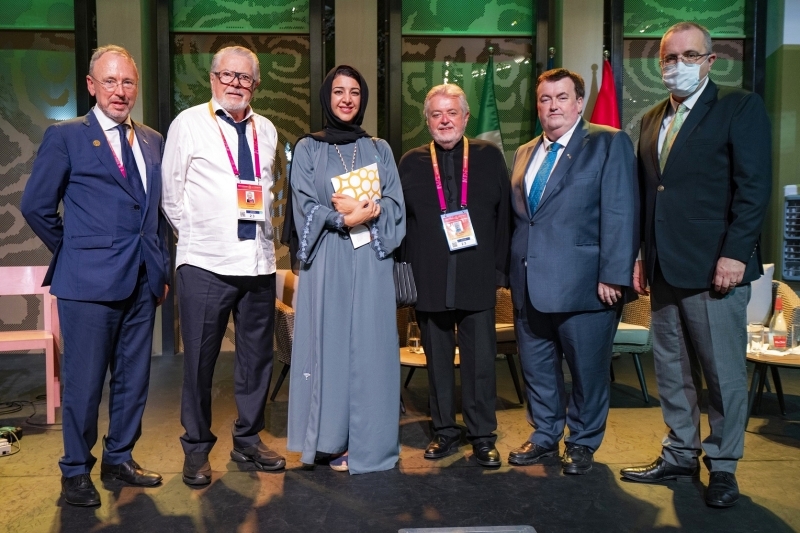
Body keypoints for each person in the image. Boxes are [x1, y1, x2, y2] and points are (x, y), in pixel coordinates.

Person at [620, 22, 771, 508]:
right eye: (669, 57)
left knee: (723, 374)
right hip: (663, 267)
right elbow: (649, 195)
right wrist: (640, 255)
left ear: (710, 61)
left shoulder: (738, 107)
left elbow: (753, 187)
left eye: (689, 55)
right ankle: (680, 453)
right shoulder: (651, 119)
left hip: (715, 270)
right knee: (672, 370)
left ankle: (723, 466)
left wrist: (735, 253)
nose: (677, 65)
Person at [21, 45, 169, 506]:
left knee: (133, 380)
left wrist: (159, 267)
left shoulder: (151, 140)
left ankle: (119, 457)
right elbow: (36, 206)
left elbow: (155, 212)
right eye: (110, 81)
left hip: (142, 280)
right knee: (84, 384)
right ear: (91, 85)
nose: (119, 91)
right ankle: (75, 470)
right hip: (87, 285)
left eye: (127, 82)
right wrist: (76, 251)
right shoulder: (66, 136)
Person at [161, 45, 285, 486]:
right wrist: (201, 237)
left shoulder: (266, 129)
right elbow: (171, 194)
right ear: (213, 78)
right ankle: (196, 448)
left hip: (258, 263)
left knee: (257, 360)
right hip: (205, 265)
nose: (236, 83)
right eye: (228, 75)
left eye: (245, 77)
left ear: (256, 84)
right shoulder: (189, 123)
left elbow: (268, 191)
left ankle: (248, 439)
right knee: (199, 362)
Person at [508, 68, 637, 475]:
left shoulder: (608, 142)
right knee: (538, 369)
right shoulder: (525, 151)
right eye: (545, 99)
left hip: (586, 285)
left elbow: (621, 211)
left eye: (561, 97)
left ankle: (582, 441)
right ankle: (545, 434)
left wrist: (614, 273)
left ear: (579, 103)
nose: (553, 106)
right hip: (529, 283)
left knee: (587, 372)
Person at [286, 65, 405, 474]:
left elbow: (396, 204)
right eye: (339, 91)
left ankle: (368, 443)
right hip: (328, 259)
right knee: (329, 347)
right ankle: (327, 440)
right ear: (327, 97)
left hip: (371, 257)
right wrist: (343, 219)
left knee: (371, 349)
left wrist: (367, 211)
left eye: (355, 92)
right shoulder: (308, 148)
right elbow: (304, 205)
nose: (347, 99)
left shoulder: (379, 149)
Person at [398, 84, 510, 467]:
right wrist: (404, 275)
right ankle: (444, 432)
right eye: (436, 114)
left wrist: (499, 272)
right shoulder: (410, 162)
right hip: (429, 279)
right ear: (427, 120)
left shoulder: (489, 156)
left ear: (465, 117)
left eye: (451, 113)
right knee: (438, 363)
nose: (444, 121)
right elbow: (401, 224)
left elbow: (504, 219)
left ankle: (482, 436)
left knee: (481, 364)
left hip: (477, 276)